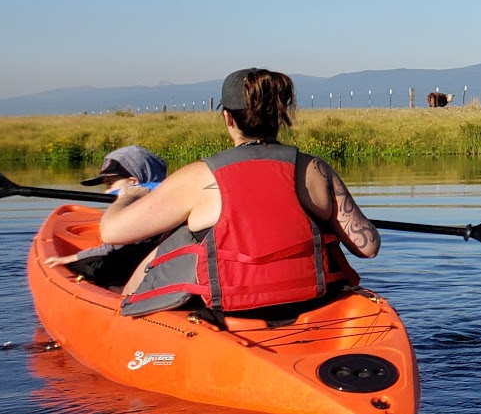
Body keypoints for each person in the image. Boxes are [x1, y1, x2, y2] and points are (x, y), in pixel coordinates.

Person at [101, 68, 380, 317]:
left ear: (228, 118)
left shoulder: (197, 177)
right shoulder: (316, 170)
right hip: (312, 303)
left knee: (177, 234)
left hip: (228, 312)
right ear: (279, 116)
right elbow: (368, 246)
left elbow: (112, 233)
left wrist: (128, 193)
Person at [44, 145, 170, 281]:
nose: (106, 192)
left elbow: (115, 243)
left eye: (110, 185)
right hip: (152, 264)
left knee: (86, 265)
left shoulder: (148, 209)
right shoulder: (165, 198)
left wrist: (75, 258)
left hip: (150, 267)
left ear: (133, 183)